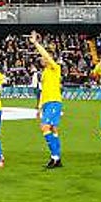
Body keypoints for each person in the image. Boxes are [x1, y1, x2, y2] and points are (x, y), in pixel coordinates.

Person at [30, 32, 63, 169]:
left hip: (54, 101)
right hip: (48, 102)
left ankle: (55, 157)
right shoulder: (44, 73)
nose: (41, 59)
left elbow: (47, 56)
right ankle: (57, 158)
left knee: (44, 127)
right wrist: (39, 107)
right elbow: (43, 92)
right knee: (53, 129)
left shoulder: (56, 68)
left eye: (43, 57)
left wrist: (36, 43)